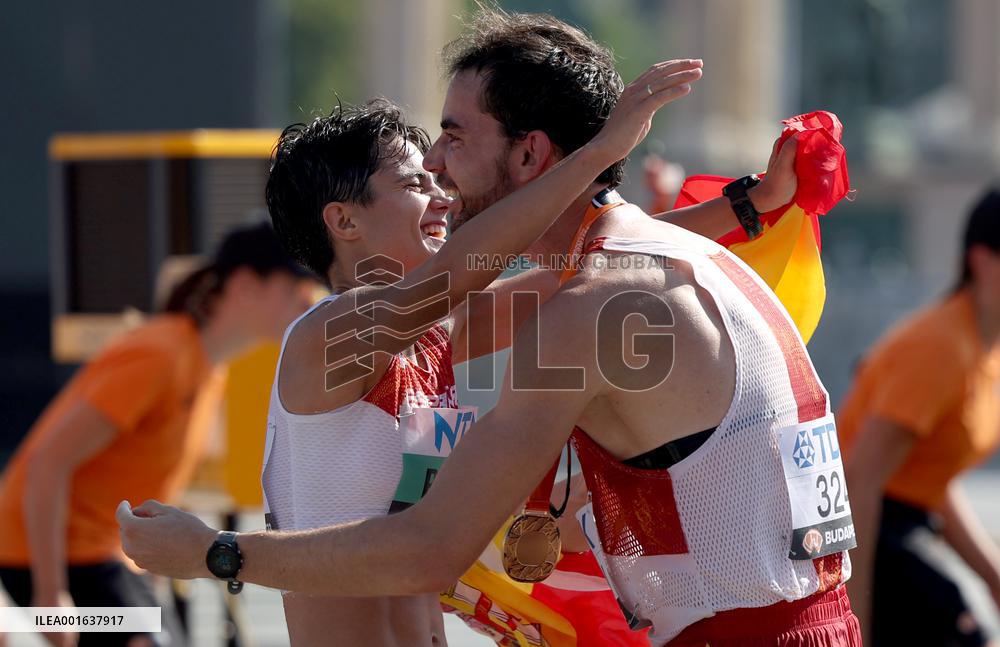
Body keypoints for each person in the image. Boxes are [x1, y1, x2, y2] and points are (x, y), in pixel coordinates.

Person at [118, 9, 861, 647]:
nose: (439, 187)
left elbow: (588, 264)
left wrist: (747, 206)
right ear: (343, 222)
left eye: (445, 154)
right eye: (414, 182)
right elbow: (474, 270)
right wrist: (598, 153)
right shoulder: (328, 335)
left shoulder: (441, 329)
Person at [0, 223, 316, 647]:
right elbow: (47, 463)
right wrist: (50, 595)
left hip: (106, 560)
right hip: (56, 557)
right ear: (244, 284)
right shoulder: (158, 355)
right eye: (296, 285)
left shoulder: (206, 365)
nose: (308, 299)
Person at [838, 188, 1000, 646]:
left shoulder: (983, 346)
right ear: (983, 260)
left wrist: (992, 577)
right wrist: (854, 624)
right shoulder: (942, 347)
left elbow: (928, 478)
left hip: (902, 522)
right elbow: (859, 482)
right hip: (860, 528)